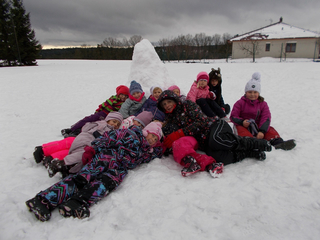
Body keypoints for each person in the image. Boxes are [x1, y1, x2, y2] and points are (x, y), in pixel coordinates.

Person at [25, 122, 164, 222]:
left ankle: (76, 203)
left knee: (104, 185)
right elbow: (109, 137)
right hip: (107, 157)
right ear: (146, 131)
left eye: (155, 138)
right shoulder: (131, 133)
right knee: (82, 179)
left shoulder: (147, 151)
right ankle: (44, 200)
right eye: (151, 135)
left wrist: (162, 147)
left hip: (119, 170)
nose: (151, 139)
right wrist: (94, 148)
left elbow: (158, 151)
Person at [157, 90, 272, 177]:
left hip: (215, 126)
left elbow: (201, 121)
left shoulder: (187, 105)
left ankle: (254, 143)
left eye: (168, 102)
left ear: (174, 100)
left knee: (217, 139)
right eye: (164, 105)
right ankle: (250, 153)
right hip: (205, 140)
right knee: (217, 157)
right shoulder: (171, 119)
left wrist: (181, 132)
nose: (167, 105)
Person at [34, 112, 123, 178]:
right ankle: (44, 151)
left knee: (84, 156)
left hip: (89, 144)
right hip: (84, 139)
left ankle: (63, 166)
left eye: (117, 124)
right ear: (108, 119)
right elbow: (85, 128)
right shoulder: (101, 123)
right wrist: (95, 129)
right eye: (114, 121)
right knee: (68, 144)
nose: (115, 124)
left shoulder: (114, 132)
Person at [230, 72, 296, 150]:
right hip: (244, 125)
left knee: (270, 130)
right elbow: (233, 116)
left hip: (257, 125)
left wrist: (262, 131)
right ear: (245, 92)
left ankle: (277, 142)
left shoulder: (263, 104)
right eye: (250, 92)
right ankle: (252, 143)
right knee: (241, 131)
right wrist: (242, 122)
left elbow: (266, 117)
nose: (252, 94)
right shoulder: (240, 103)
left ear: (259, 93)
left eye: (255, 92)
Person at [61, 85, 129, 138]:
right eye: (122, 94)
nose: (123, 97)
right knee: (87, 120)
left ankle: (77, 133)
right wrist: (98, 111)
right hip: (101, 113)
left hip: (109, 118)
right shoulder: (112, 98)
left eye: (125, 96)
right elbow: (103, 105)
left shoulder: (123, 104)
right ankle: (72, 129)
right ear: (118, 94)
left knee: (93, 126)